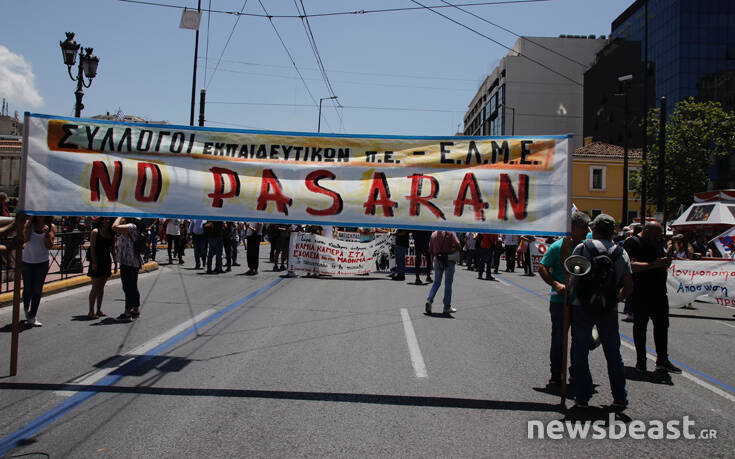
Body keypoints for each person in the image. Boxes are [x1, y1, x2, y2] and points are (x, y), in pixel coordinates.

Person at [570, 214, 633, 409]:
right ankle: (619, 396)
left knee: (579, 351)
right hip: (608, 308)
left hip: (583, 306)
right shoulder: (621, 253)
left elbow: (574, 277)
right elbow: (629, 285)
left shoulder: (583, 248)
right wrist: (616, 298)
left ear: (594, 229)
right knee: (613, 353)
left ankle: (583, 395)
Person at [538, 211, 590, 386]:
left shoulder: (586, 247)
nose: (587, 231)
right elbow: (542, 267)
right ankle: (556, 373)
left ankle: (576, 371)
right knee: (559, 338)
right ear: (573, 228)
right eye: (584, 227)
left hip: (580, 301)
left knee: (580, 339)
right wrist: (556, 284)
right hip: (561, 302)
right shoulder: (558, 246)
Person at [623, 221, 682, 374]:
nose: (658, 238)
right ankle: (641, 361)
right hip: (641, 291)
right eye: (656, 235)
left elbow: (659, 261)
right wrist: (655, 264)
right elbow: (631, 266)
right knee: (640, 326)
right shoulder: (632, 242)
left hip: (659, 292)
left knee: (662, 326)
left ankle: (662, 359)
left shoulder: (656, 243)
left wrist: (664, 263)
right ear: (647, 231)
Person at [22, 216, 55, 327]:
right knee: (27, 289)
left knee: (37, 290)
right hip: (27, 261)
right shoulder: (29, 224)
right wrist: (28, 224)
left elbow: (49, 246)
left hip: (42, 262)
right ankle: (26, 309)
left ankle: (33, 315)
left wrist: (46, 234)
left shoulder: (51, 226)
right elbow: (25, 239)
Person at [112, 217, 144, 322]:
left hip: (128, 261)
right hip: (131, 261)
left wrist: (119, 216)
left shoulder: (131, 227)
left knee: (128, 288)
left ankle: (127, 313)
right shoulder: (134, 227)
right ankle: (135, 310)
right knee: (133, 287)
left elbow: (114, 227)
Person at [87, 217, 117, 319]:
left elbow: (113, 249)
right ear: (101, 220)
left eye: (109, 219)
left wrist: (116, 263)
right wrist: (94, 262)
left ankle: (99, 309)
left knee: (102, 286)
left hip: (106, 261)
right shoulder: (95, 232)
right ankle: (91, 310)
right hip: (96, 260)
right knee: (95, 286)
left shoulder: (111, 234)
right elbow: (92, 248)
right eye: (105, 219)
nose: (107, 221)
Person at [425, 230, 461, 315]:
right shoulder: (451, 233)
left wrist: (436, 254)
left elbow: (430, 250)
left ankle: (429, 300)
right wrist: (452, 250)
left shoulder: (434, 234)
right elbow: (458, 246)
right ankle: (446, 307)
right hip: (449, 260)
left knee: (436, 283)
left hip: (438, 260)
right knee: (448, 284)